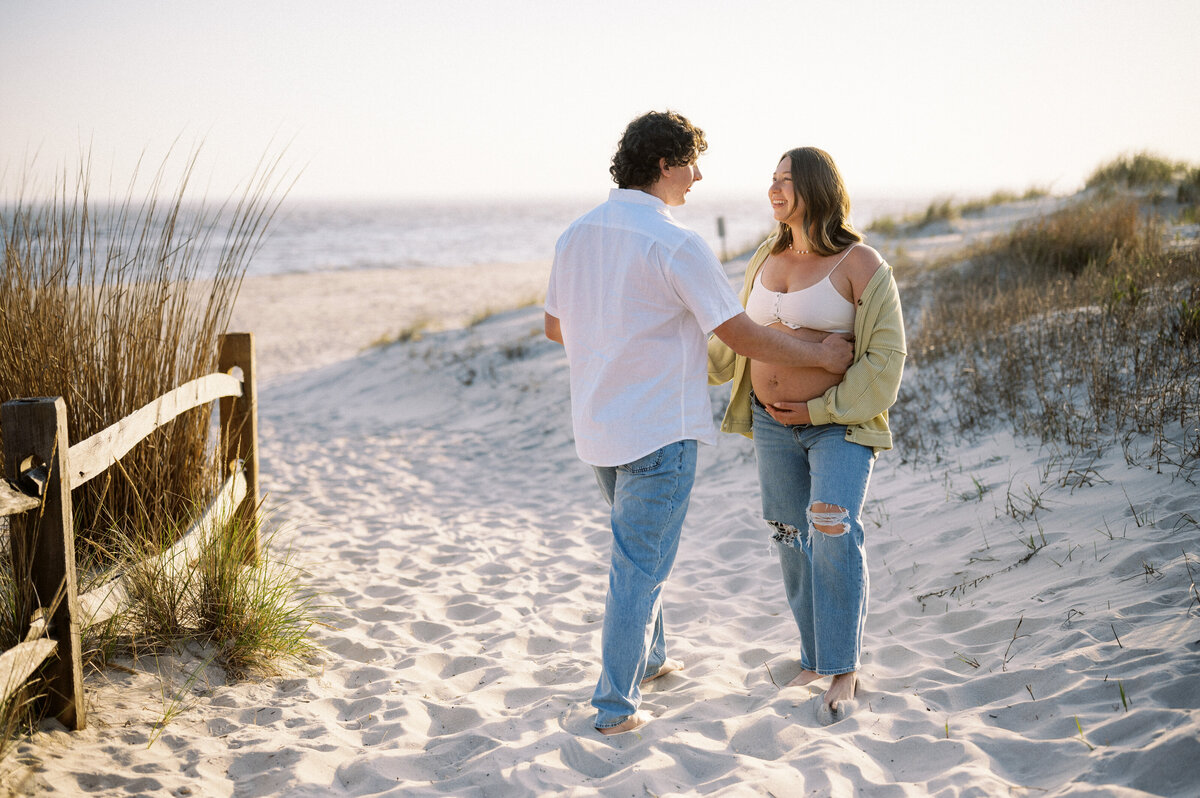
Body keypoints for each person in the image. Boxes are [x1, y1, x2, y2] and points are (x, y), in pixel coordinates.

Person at [544, 113, 854, 735]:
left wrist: (619, 336)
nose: (698, 176)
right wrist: (820, 354)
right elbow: (736, 332)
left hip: (599, 429)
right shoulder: (676, 242)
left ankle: (651, 659)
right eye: (692, 163)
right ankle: (614, 709)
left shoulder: (576, 234)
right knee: (638, 566)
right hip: (659, 431)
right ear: (665, 165)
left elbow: (556, 327)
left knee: (636, 555)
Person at [708, 146, 906, 725]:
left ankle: (844, 668)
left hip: (838, 427)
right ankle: (815, 656)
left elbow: (885, 361)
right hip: (771, 425)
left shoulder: (860, 263)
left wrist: (820, 410)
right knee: (790, 535)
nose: (773, 190)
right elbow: (734, 340)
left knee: (832, 528)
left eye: (785, 181)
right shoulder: (764, 257)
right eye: (770, 179)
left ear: (817, 188)